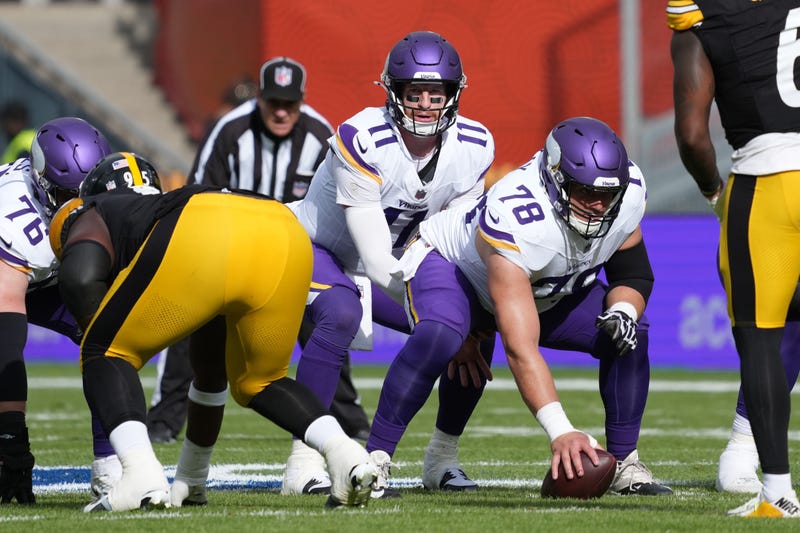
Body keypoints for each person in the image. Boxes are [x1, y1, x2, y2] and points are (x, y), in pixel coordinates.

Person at [49, 151, 378, 512]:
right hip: (282, 227)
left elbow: (80, 278)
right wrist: (191, 477)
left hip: (203, 229)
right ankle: (347, 456)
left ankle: (140, 474)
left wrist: (94, 333)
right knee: (261, 382)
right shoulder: (162, 209)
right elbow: (208, 376)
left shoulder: (90, 208)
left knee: (105, 353)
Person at [370, 116, 673, 497]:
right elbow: (520, 346)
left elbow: (633, 274)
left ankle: (625, 464)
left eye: (607, 194)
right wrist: (561, 430)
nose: (598, 206)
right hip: (453, 268)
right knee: (442, 335)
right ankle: (376, 460)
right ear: (554, 179)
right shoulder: (518, 214)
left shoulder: (625, 194)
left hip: (542, 289)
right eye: (584, 192)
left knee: (631, 333)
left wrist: (623, 312)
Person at [283, 30, 495, 498]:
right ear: (392, 92)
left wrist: (459, 320)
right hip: (318, 250)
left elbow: (454, 241)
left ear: (453, 94)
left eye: (435, 94)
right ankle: (305, 463)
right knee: (340, 313)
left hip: (395, 261)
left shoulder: (474, 145)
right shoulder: (362, 137)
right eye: (412, 93)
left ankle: (441, 458)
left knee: (480, 318)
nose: (424, 104)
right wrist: (441, 316)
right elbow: (376, 260)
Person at [147, 56, 371, 445]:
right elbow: (199, 193)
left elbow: (340, 203)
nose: (281, 111)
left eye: (289, 103)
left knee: (326, 320)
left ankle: (349, 421)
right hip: (231, 248)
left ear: (301, 101)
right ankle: (165, 419)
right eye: (273, 102)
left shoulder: (321, 135)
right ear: (259, 99)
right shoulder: (231, 130)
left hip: (295, 251)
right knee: (190, 324)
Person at [669, 0, 800, 517]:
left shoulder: (703, 13)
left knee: (761, 335)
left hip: (765, 177)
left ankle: (776, 493)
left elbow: (693, 134)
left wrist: (713, 193)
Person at [0, 117, 114, 504]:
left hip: (43, 276)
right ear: (42, 182)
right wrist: (12, 441)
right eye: (67, 194)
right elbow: (8, 343)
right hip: (12, 272)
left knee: (106, 336)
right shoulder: (17, 217)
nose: (78, 205)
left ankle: (111, 469)